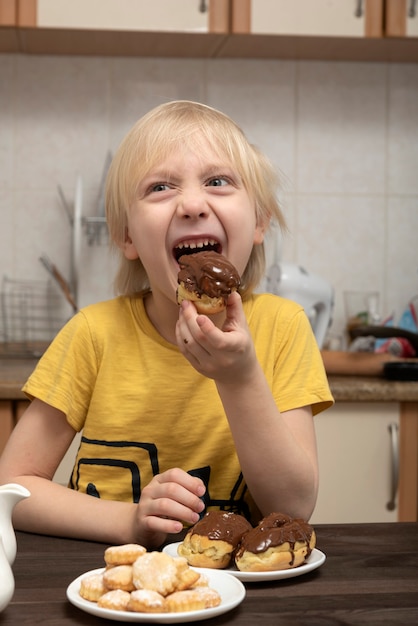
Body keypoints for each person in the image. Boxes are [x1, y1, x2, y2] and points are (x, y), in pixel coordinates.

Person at [0, 101, 333, 549]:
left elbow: (293, 506)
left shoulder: (283, 327)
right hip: (105, 586)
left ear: (259, 220)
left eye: (218, 181)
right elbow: (12, 488)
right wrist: (129, 521)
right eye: (160, 187)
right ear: (127, 237)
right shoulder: (93, 335)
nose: (193, 204)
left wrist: (239, 377)